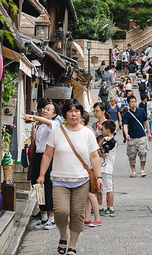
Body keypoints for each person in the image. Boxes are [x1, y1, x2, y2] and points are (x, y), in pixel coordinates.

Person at [36, 99, 103, 255]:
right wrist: (41, 175)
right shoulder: (57, 132)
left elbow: (94, 156)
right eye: (71, 111)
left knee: (77, 214)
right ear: (65, 113)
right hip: (59, 180)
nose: (74, 114)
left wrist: (99, 177)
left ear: (81, 113)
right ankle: (63, 236)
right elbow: (47, 154)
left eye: (77, 111)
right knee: (61, 212)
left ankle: (72, 245)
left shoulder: (87, 133)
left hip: (82, 181)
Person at [25, 98, 62, 230]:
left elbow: (49, 123)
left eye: (49, 110)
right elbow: (36, 146)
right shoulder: (40, 126)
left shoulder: (55, 124)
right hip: (38, 156)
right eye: (44, 109)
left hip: (49, 158)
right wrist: (33, 136)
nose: (45, 111)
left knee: (48, 187)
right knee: (38, 186)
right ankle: (43, 216)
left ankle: (52, 218)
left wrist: (33, 117)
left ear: (54, 114)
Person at [81, 110, 103, 228]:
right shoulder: (87, 130)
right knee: (87, 195)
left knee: (90, 193)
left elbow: (92, 153)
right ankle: (88, 218)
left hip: (89, 167)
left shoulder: (87, 130)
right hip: (86, 167)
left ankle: (97, 218)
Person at [122, 95, 152, 177]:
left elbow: (146, 122)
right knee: (131, 154)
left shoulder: (141, 111)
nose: (133, 104)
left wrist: (149, 133)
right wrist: (126, 134)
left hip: (141, 135)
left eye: (134, 102)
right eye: (131, 102)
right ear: (128, 103)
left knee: (143, 153)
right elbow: (125, 125)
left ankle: (142, 169)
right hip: (132, 137)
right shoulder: (126, 114)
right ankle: (133, 171)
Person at [98, 120, 117, 217]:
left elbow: (101, 151)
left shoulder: (112, 142)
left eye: (103, 129)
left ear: (108, 130)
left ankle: (111, 208)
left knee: (109, 188)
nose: (102, 131)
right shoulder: (106, 140)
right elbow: (99, 149)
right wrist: (102, 140)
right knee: (99, 189)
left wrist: (100, 150)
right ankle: (100, 207)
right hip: (101, 168)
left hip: (107, 169)